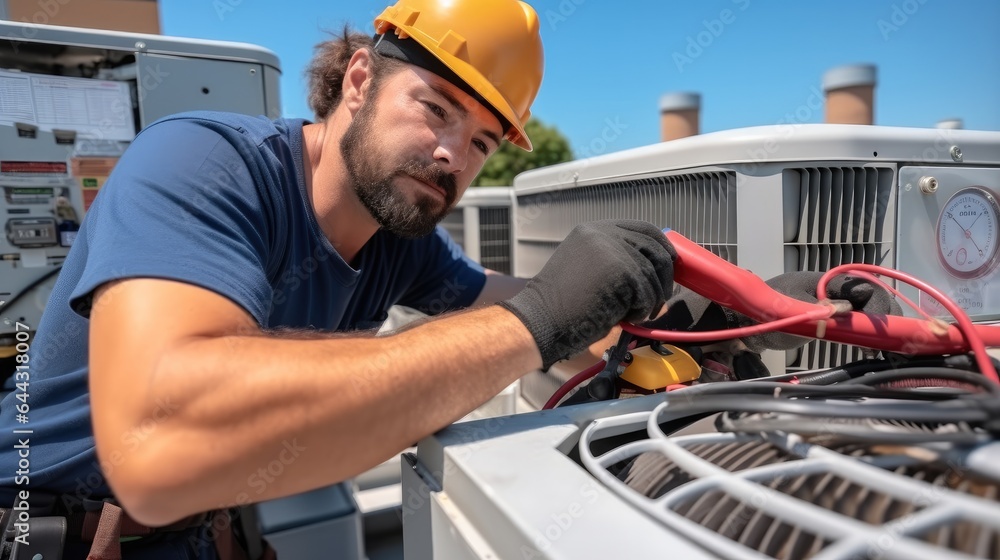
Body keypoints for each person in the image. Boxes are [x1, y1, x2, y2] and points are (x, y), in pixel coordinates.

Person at [0, 0, 679, 558]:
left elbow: (541, 305)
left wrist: (677, 323)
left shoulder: (398, 240)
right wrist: (534, 325)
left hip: (207, 535)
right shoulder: (202, 163)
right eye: (436, 107)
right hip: (46, 530)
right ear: (359, 80)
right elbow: (156, 453)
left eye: (481, 143)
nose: (451, 155)